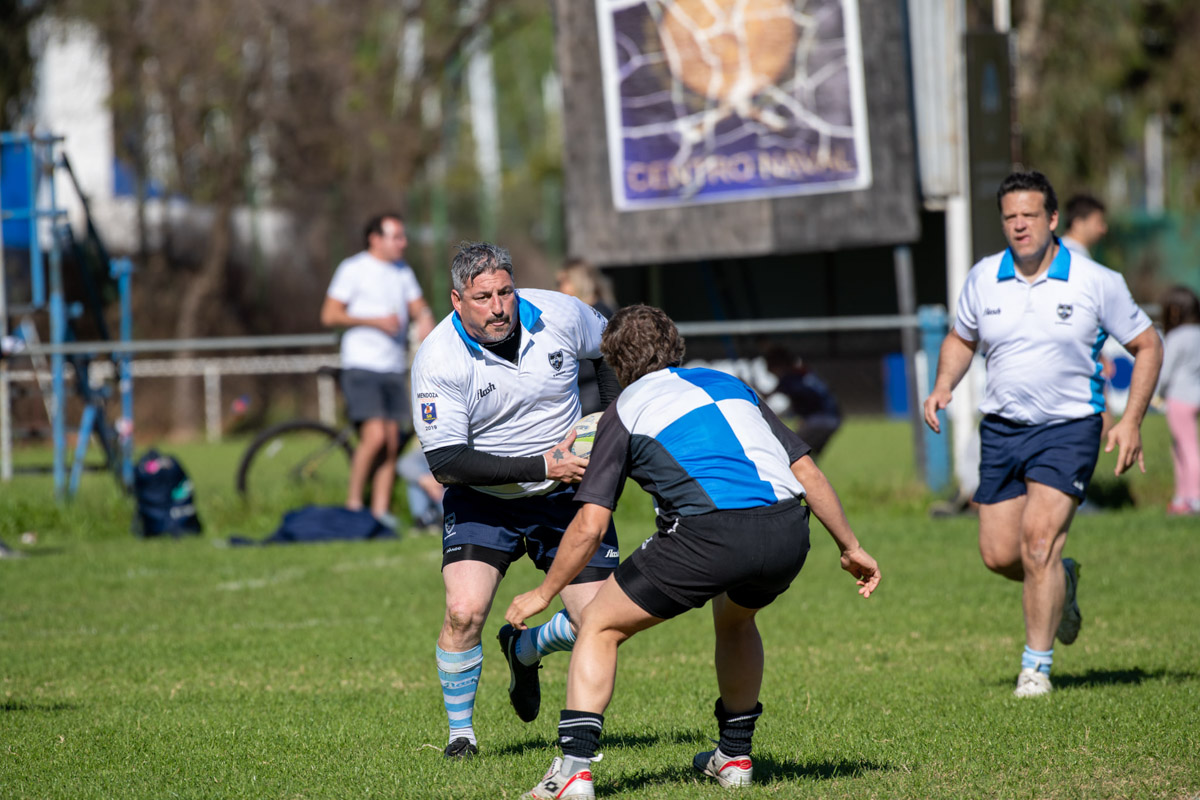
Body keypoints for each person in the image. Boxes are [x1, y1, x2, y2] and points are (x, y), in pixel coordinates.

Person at [506, 305, 881, 798]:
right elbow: (806, 472)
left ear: (616, 363)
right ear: (675, 347)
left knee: (598, 625)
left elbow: (590, 525)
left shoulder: (625, 407)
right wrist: (850, 547)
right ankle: (734, 756)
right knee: (736, 619)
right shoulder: (727, 383)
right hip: (788, 529)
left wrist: (543, 591)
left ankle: (572, 772)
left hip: (711, 534)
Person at [923, 171, 1162, 698]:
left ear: (1053, 220)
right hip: (1003, 430)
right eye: (1010, 217)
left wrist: (1132, 419)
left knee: (1038, 545)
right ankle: (1063, 581)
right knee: (1000, 554)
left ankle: (1036, 668)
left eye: (1029, 215)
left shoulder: (1096, 281)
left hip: (1069, 428)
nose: (1019, 225)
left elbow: (1148, 344)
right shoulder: (984, 277)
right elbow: (962, 339)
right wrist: (943, 385)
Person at [410, 241, 621, 758]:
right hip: (484, 498)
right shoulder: (438, 358)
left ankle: (525, 649)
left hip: (566, 492)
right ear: (457, 300)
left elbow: (614, 347)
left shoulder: (560, 312)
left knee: (600, 621)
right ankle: (462, 736)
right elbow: (447, 463)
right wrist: (538, 465)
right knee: (464, 611)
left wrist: (613, 424)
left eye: (506, 291)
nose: (499, 306)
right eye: (484, 297)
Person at [320, 212, 434, 524]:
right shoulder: (353, 268)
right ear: (375, 238)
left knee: (393, 441)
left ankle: (379, 513)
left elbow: (417, 305)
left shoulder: (402, 271)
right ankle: (354, 506)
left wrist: (424, 316)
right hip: (362, 365)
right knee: (375, 438)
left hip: (393, 367)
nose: (403, 243)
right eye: (396, 236)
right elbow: (330, 315)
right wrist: (374, 321)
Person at [1156, 285, 1200, 515]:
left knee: (1187, 448)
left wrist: (1159, 392)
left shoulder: (1176, 336)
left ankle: (1193, 498)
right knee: (1182, 447)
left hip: (1179, 397)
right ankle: (1182, 496)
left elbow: (1166, 371)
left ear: (1174, 311)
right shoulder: (1198, 334)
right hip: (1196, 395)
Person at [556, 258, 617, 416]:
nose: (559, 288)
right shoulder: (592, 313)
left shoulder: (598, 316)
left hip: (595, 397)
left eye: (564, 281)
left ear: (579, 282)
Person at [763, 346, 842, 457]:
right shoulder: (803, 372)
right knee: (809, 456)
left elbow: (766, 397)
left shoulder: (790, 378)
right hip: (833, 419)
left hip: (818, 421)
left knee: (789, 453)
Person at [1059, 193, 1108, 258]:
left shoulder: (1076, 253)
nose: (1103, 229)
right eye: (1098, 222)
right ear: (1077, 224)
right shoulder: (1070, 255)